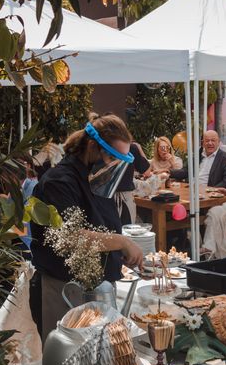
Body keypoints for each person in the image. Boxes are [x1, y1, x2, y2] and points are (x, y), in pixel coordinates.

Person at [29, 114, 144, 339]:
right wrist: (122, 242)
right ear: (92, 146)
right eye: (112, 157)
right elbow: (70, 237)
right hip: (62, 289)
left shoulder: (96, 178)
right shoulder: (59, 182)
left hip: (97, 289)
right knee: (64, 360)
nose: (113, 166)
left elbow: (101, 225)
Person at [114, 141, 151, 225]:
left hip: (100, 196)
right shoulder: (129, 147)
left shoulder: (95, 146)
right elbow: (147, 172)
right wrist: (140, 150)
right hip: (124, 198)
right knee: (126, 230)